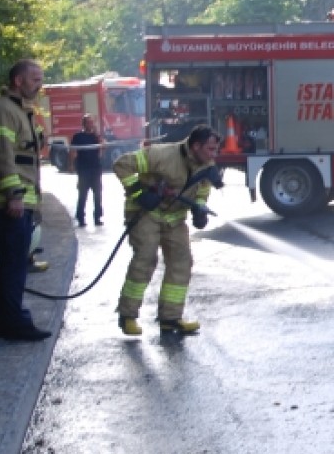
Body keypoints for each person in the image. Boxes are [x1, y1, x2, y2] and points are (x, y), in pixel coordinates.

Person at [114, 124, 221, 336]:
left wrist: (199, 209)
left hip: (175, 218)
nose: (213, 154)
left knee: (181, 261)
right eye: (210, 149)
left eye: (215, 150)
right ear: (196, 146)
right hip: (146, 214)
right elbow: (121, 165)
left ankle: (170, 318)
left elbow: (202, 190)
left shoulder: (206, 165)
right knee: (146, 258)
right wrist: (141, 194)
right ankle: (127, 316)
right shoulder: (161, 155)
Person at [0, 59, 51, 341]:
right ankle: (12, 322)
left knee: (13, 261)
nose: (39, 84)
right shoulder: (3, 111)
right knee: (14, 265)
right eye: (35, 79)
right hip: (9, 203)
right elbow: (1, 156)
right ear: (18, 81)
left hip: (18, 203)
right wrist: (14, 195)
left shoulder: (20, 111)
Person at [70, 114, 105, 227]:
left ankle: (97, 217)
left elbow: (103, 148)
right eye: (88, 122)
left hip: (95, 169)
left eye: (91, 122)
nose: (90, 124)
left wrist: (98, 136)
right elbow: (73, 151)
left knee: (98, 195)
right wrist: (71, 165)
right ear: (84, 124)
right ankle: (81, 218)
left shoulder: (96, 136)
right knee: (83, 195)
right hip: (83, 169)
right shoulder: (78, 136)